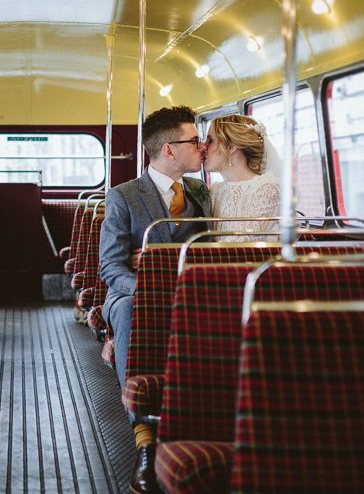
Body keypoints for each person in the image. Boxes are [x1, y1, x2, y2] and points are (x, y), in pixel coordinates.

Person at [99, 105, 209, 494]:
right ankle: (144, 437)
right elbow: (111, 268)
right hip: (135, 293)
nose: (203, 147)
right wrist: (147, 291)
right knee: (130, 310)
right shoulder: (123, 197)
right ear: (169, 150)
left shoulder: (201, 193)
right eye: (195, 141)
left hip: (194, 293)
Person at [202, 114, 280, 240]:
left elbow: (241, 243)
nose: (203, 147)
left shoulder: (268, 188)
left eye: (210, 141)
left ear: (231, 147)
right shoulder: (215, 191)